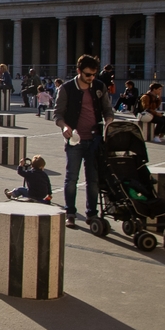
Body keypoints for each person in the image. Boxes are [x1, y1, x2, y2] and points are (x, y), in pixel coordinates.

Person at [54, 54, 114, 228]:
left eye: (94, 74)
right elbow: (57, 114)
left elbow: (108, 110)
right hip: (75, 141)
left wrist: (109, 121)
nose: (91, 78)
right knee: (71, 178)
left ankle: (92, 214)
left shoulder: (99, 86)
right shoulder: (66, 89)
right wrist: (64, 127)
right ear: (79, 71)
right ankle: (70, 213)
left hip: (95, 140)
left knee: (93, 180)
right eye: (88, 74)